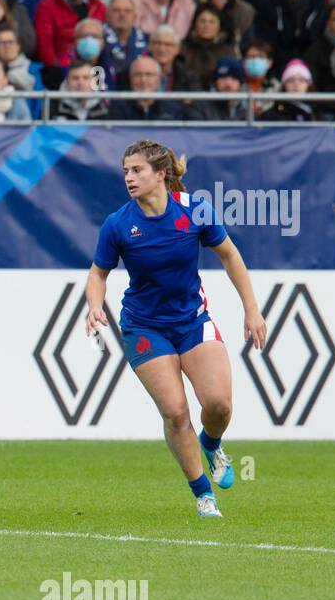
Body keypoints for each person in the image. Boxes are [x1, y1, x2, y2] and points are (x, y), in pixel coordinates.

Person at [86, 139, 267, 518]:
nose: (129, 179)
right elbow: (98, 273)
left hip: (192, 321)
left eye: (137, 171)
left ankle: (212, 443)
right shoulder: (118, 224)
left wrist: (252, 310)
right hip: (144, 327)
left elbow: (230, 255)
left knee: (218, 404)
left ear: (161, 174)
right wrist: (93, 306)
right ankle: (203, 494)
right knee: (175, 410)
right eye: (125, 172)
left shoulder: (196, 211)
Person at [110, 55, 185, 119]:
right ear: (130, 78)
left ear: (159, 79)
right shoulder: (117, 108)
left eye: (149, 75)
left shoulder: (172, 109)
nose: (143, 80)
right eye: (138, 75)